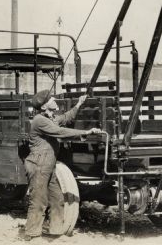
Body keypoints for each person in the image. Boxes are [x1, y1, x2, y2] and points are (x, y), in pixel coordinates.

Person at [23, 89, 100, 241]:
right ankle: (32, 234)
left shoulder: (49, 118)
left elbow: (65, 118)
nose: (54, 100)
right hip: (38, 165)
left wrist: (79, 103)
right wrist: (86, 132)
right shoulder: (40, 120)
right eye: (51, 99)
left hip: (48, 166)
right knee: (39, 200)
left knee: (57, 198)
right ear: (44, 107)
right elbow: (60, 131)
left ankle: (56, 231)